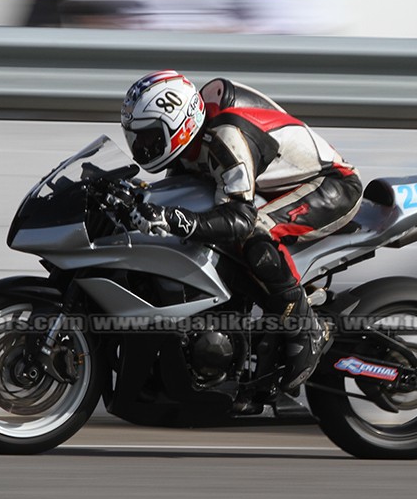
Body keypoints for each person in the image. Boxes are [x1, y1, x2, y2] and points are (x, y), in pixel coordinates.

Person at [111, 70, 364, 392]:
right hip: (274, 188)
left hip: (330, 185)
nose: (144, 146)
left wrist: (176, 220)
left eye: (150, 136)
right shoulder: (188, 149)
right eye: (137, 138)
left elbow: (240, 217)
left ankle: (306, 329)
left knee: (255, 236)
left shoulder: (225, 138)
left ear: (180, 124)